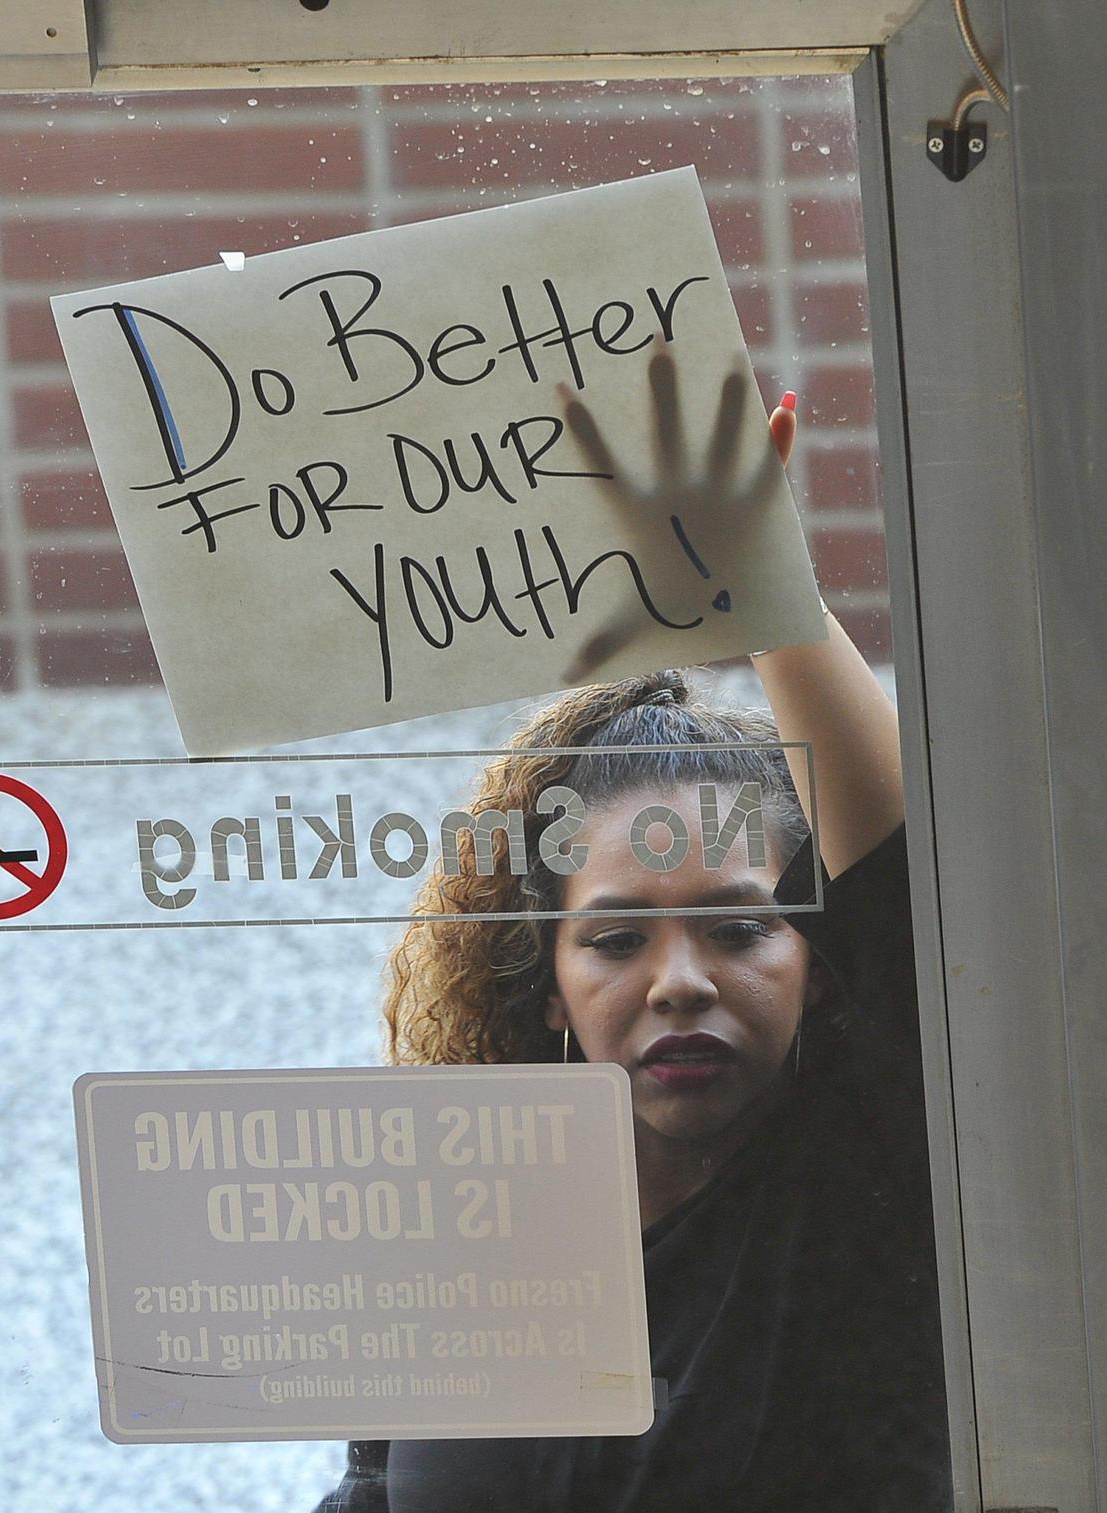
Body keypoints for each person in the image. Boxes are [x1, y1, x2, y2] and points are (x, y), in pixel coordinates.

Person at [314, 360, 952, 1512]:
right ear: (543, 980)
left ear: (822, 964)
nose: (679, 983)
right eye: (613, 941)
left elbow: (915, 887)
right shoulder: (456, 1231)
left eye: (741, 926)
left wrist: (761, 588)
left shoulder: (880, 1177)